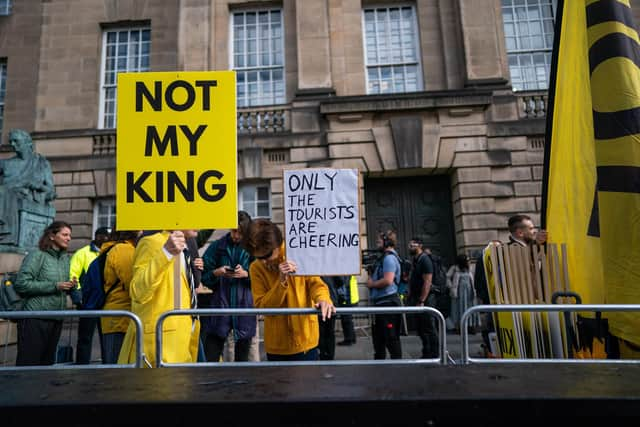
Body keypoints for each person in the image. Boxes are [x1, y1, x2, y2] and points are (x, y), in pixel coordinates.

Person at [244, 218, 335, 361]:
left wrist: (323, 299)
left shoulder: (298, 253)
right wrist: (281, 282)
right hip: (277, 345)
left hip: (306, 340)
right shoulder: (256, 268)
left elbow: (316, 283)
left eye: (266, 255)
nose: (263, 261)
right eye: (257, 257)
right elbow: (262, 307)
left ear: (276, 245)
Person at [117, 230, 201, 367]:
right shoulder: (151, 243)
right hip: (157, 346)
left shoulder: (186, 245)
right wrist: (165, 253)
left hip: (182, 341)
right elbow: (138, 291)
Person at [13, 221, 75, 366]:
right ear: (52, 236)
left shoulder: (65, 259)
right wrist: (55, 286)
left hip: (56, 317)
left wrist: (70, 286)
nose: (69, 238)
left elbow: (59, 286)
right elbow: (21, 284)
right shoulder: (37, 255)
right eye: (65, 234)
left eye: (69, 235)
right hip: (35, 317)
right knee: (29, 364)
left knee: (46, 365)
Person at [200, 211, 256, 362]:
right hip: (220, 307)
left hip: (244, 308)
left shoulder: (254, 249)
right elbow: (204, 275)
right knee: (211, 355)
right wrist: (216, 273)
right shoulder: (217, 246)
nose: (236, 235)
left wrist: (246, 275)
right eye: (233, 231)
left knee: (243, 360)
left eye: (240, 232)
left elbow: (263, 279)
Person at [0, 129, 56, 242]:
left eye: (16, 141)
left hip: (27, 196)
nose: (12, 144)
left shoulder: (41, 163)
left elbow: (51, 192)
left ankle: (4, 229)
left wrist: (37, 186)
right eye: (11, 141)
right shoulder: (5, 164)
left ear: (28, 143)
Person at [69, 226, 112, 364]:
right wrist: (78, 297)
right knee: (85, 337)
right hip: (88, 302)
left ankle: (108, 364)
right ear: (96, 236)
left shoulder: (110, 253)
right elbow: (73, 274)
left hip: (105, 301)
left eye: (108, 236)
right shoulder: (82, 253)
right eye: (103, 235)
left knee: (106, 337)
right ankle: (82, 365)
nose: (105, 238)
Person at [100, 230, 142, 364]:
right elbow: (134, 285)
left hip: (119, 316)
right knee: (116, 367)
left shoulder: (119, 248)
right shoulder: (123, 249)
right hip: (120, 318)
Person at [366, 230, 403, 360]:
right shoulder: (384, 258)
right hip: (381, 303)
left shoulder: (389, 258)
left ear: (387, 241)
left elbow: (388, 280)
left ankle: (397, 365)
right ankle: (380, 363)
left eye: (379, 240)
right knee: (379, 338)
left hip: (388, 303)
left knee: (391, 337)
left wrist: (372, 284)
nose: (377, 243)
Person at [406, 237, 438, 358]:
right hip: (417, 298)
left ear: (420, 245)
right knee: (421, 328)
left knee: (429, 327)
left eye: (413, 244)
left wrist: (421, 300)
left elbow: (427, 282)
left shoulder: (425, 260)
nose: (410, 247)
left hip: (426, 299)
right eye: (409, 245)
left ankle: (435, 354)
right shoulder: (416, 260)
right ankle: (427, 351)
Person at [318, 275, 348, 360]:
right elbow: (341, 281)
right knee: (328, 331)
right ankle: (327, 355)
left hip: (328, 300)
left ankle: (325, 355)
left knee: (325, 331)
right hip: (329, 299)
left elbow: (341, 281)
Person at [446, 254, 477, 334]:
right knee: (459, 309)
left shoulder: (470, 268)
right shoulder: (455, 268)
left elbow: (473, 278)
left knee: (470, 307)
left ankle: (471, 325)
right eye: (467, 260)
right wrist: (451, 287)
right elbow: (447, 277)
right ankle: (459, 327)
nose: (469, 262)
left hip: (469, 291)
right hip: (459, 292)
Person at [336, 275, 359, 346]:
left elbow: (342, 282)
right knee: (348, 319)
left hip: (347, 297)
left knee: (346, 319)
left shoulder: (345, 271)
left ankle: (348, 340)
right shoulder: (350, 270)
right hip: (351, 297)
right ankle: (352, 338)